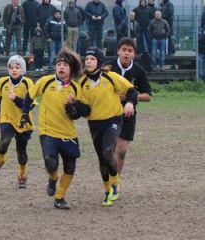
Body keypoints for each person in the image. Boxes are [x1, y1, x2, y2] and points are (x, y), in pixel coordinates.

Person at [21, 49, 88, 210]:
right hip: (47, 131)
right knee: (51, 163)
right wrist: (24, 114)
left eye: (65, 64)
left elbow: (81, 113)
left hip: (68, 133)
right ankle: (53, 178)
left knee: (70, 166)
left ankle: (60, 197)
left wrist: (74, 108)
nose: (61, 67)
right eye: (59, 64)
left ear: (71, 69)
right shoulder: (45, 81)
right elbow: (30, 96)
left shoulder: (76, 88)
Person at [79, 47, 138, 206]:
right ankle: (107, 190)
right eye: (87, 59)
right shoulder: (82, 82)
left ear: (99, 61)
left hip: (113, 119)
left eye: (92, 59)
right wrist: (74, 107)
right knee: (102, 159)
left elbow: (131, 90)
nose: (88, 61)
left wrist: (130, 103)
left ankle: (114, 184)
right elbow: (84, 110)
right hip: (94, 123)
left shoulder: (111, 77)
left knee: (107, 150)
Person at [106, 38, 152, 185]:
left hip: (128, 115)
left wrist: (130, 96)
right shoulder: (108, 68)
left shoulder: (139, 71)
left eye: (130, 51)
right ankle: (108, 179)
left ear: (134, 54)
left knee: (121, 150)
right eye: (124, 50)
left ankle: (115, 183)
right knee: (109, 150)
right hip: (108, 114)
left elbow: (147, 96)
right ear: (118, 51)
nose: (126, 53)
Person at [0, 55, 34, 188]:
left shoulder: (28, 83)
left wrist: (16, 99)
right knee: (4, 142)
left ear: (23, 69)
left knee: (21, 153)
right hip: (7, 119)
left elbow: (30, 105)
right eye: (11, 67)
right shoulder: (2, 82)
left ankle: (22, 175)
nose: (14, 70)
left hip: (23, 121)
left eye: (17, 67)